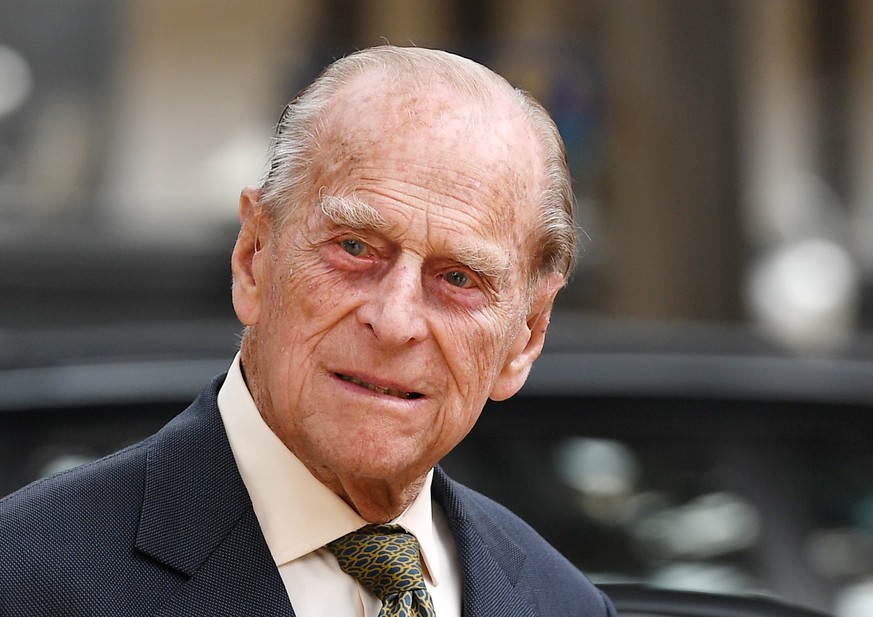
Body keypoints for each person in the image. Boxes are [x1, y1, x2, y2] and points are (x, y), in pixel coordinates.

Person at [0, 46, 615, 616]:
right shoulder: (29, 580)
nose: (395, 320)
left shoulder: (561, 601)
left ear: (527, 336)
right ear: (253, 257)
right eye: (354, 247)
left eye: (458, 278)